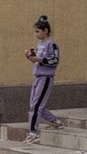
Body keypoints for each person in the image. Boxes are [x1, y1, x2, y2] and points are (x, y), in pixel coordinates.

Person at [23, 15, 64, 144]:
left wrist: (40, 60)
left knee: (36, 105)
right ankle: (55, 121)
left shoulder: (52, 44)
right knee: (34, 105)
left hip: (46, 77)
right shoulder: (40, 44)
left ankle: (33, 132)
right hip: (38, 76)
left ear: (45, 31)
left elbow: (54, 60)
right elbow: (39, 59)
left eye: (38, 31)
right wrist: (31, 57)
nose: (36, 34)